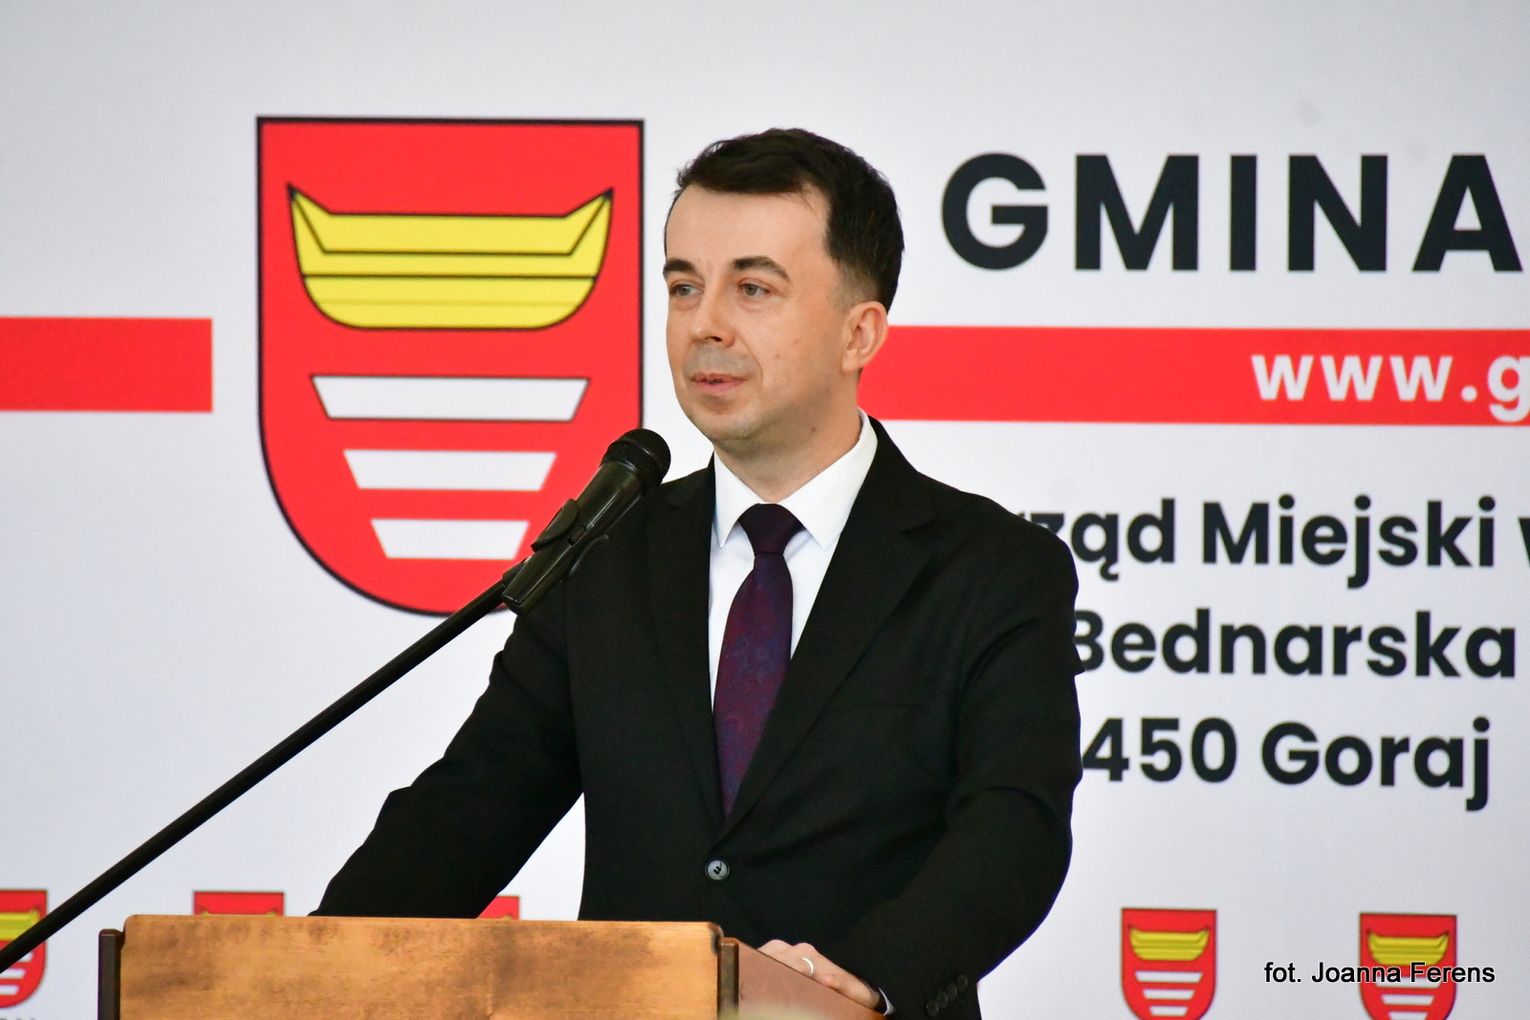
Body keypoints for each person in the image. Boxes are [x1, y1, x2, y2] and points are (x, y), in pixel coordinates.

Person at [316, 128, 1082, 1019]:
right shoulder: (606, 556)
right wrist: (309, 966)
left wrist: (862, 981)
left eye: (752, 288)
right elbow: (472, 807)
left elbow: (1012, 830)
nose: (704, 324)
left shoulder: (990, 569)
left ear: (859, 333)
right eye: (684, 285)